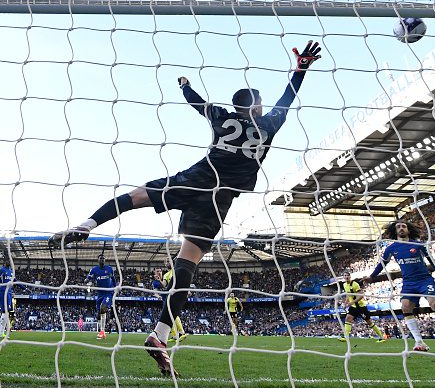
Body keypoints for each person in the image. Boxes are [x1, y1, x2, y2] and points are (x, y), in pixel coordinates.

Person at [48, 40, 321, 376]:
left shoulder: (222, 117)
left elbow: (197, 103)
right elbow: (287, 99)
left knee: (134, 198)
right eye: (261, 104)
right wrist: (301, 69)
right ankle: (160, 335)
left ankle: (87, 225)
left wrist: (185, 86)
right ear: (256, 107)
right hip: (218, 199)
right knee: (187, 266)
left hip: (193, 179)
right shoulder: (268, 126)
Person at [365, 220, 435, 353]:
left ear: (408, 230)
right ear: (395, 231)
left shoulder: (418, 245)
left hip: (425, 280)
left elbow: (432, 262)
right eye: (398, 227)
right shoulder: (391, 249)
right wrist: (371, 277)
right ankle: (419, 342)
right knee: (405, 306)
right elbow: (382, 264)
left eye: (403, 226)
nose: (401, 228)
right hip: (408, 283)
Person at [337, 271, 385, 343]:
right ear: (343, 277)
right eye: (345, 275)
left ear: (350, 277)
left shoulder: (355, 284)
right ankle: (345, 337)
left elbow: (361, 295)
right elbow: (348, 295)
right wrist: (345, 303)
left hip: (361, 307)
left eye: (347, 275)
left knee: (369, 322)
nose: (346, 277)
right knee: (347, 319)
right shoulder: (344, 285)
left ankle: (381, 337)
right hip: (353, 307)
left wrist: (352, 302)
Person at [152, 259, 188, 343]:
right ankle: (175, 335)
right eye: (166, 261)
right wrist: (158, 280)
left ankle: (181, 333)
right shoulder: (166, 275)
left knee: (172, 313)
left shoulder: (176, 271)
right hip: (168, 296)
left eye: (169, 261)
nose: (168, 263)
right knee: (169, 314)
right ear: (164, 264)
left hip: (175, 294)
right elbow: (163, 285)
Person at [85, 255, 116, 340]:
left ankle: (102, 332)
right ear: (98, 260)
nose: (102, 259)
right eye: (100, 258)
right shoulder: (94, 270)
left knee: (103, 309)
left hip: (108, 293)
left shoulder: (109, 269)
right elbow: (88, 278)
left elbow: (113, 279)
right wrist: (87, 281)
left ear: (105, 260)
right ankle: (102, 332)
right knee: (98, 315)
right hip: (99, 294)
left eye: (103, 258)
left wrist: (115, 288)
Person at [0, 259, 14, 339]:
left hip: (9, 293)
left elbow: (15, 280)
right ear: (5, 262)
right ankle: (1, 332)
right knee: (5, 312)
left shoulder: (11, 271)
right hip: (2, 292)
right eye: (7, 260)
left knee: (6, 312)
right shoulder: (1, 270)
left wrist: (24, 288)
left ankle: (1, 332)